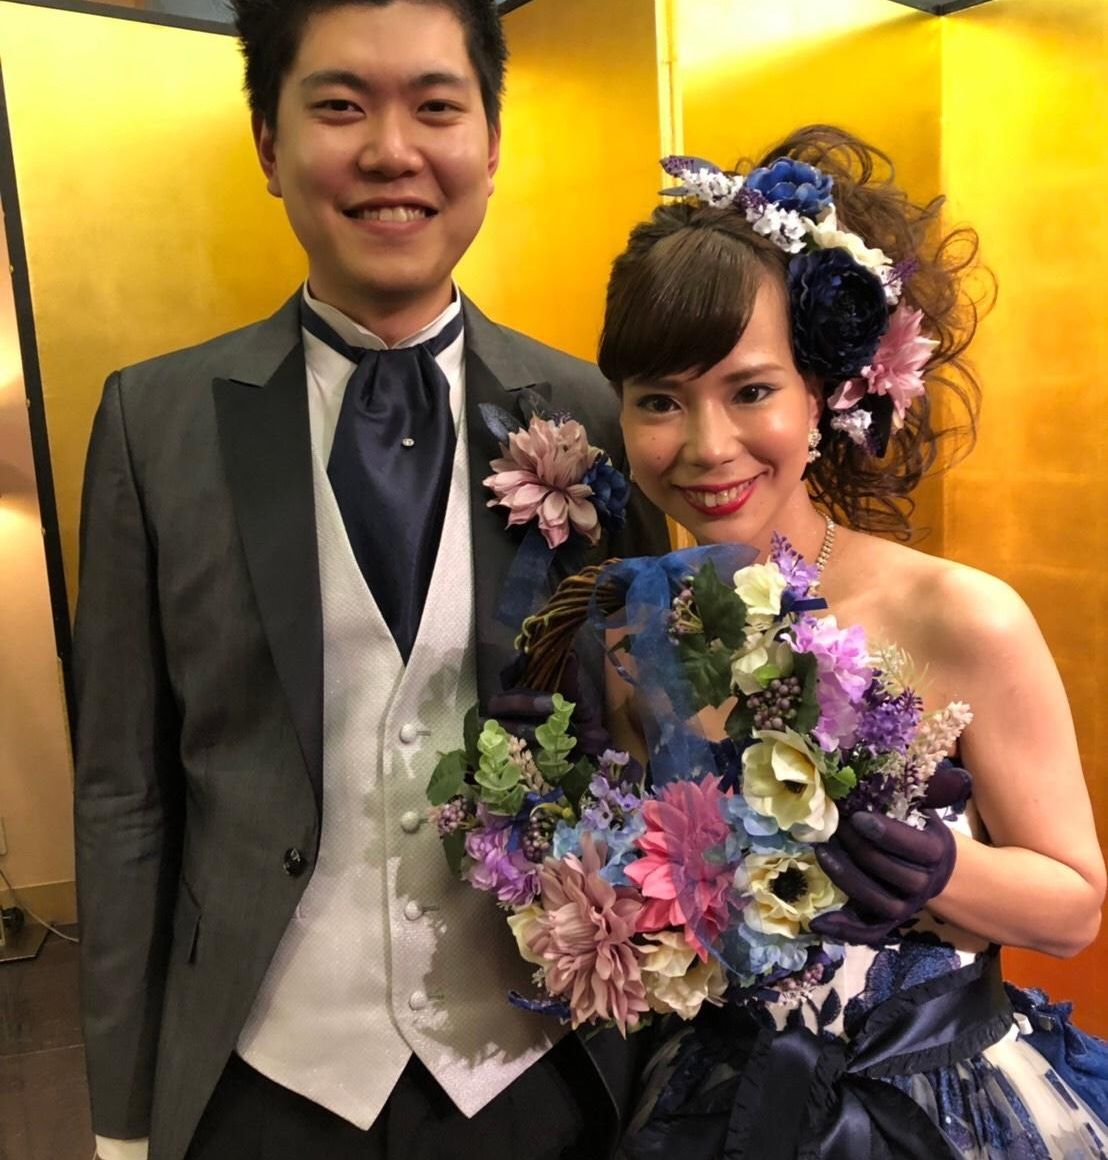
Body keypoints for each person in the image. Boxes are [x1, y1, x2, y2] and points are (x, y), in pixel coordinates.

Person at [72, 2, 669, 1159]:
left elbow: (641, 738)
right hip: (260, 1071)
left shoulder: (592, 410)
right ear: (268, 142)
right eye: (341, 105)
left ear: (491, 143)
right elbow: (122, 793)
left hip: (538, 1068)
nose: (392, 151)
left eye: (435, 106)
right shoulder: (154, 422)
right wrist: (122, 1117)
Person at [591, 125, 1108, 1157]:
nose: (706, 445)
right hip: (710, 1103)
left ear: (825, 393)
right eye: (659, 401)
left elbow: (1074, 907)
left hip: (933, 1106)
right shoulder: (628, 631)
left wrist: (932, 870)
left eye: (750, 389)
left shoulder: (961, 616)